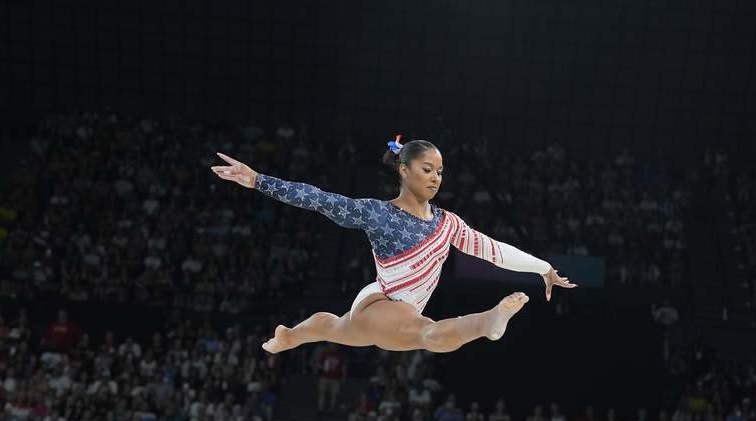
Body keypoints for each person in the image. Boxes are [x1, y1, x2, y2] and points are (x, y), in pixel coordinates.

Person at [211, 139, 574, 355]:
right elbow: (319, 199)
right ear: (404, 170)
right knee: (427, 333)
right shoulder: (378, 214)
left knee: (333, 327)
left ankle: (288, 336)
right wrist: (258, 180)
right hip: (386, 304)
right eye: (427, 169)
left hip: (388, 308)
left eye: (440, 171)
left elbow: (493, 249)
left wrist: (543, 268)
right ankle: (488, 323)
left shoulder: (447, 223)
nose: (436, 178)